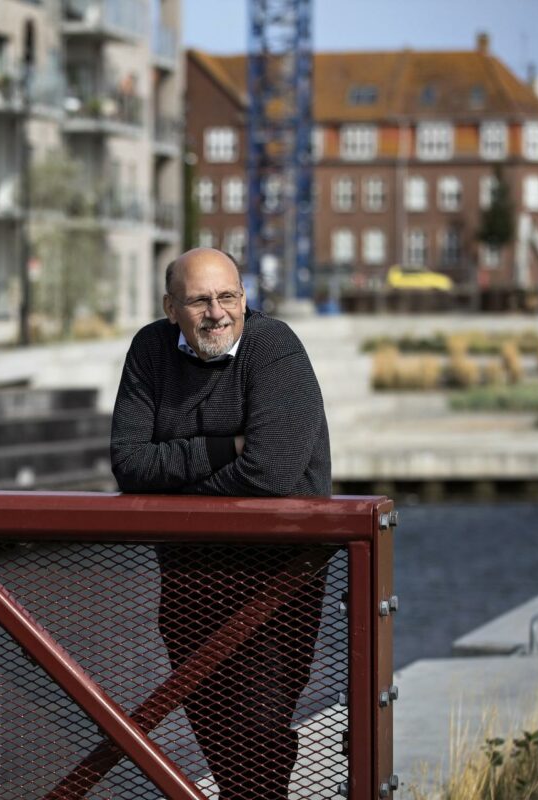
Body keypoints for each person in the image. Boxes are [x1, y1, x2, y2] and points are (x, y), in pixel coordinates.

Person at [109, 247, 331, 799]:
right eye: (199, 300)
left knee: (260, 730)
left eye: (228, 296)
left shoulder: (274, 347)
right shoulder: (150, 350)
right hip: (189, 576)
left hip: (277, 577)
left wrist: (177, 491)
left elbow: (272, 472)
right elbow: (129, 464)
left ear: (244, 298)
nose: (217, 312)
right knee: (213, 727)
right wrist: (222, 447)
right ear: (170, 307)